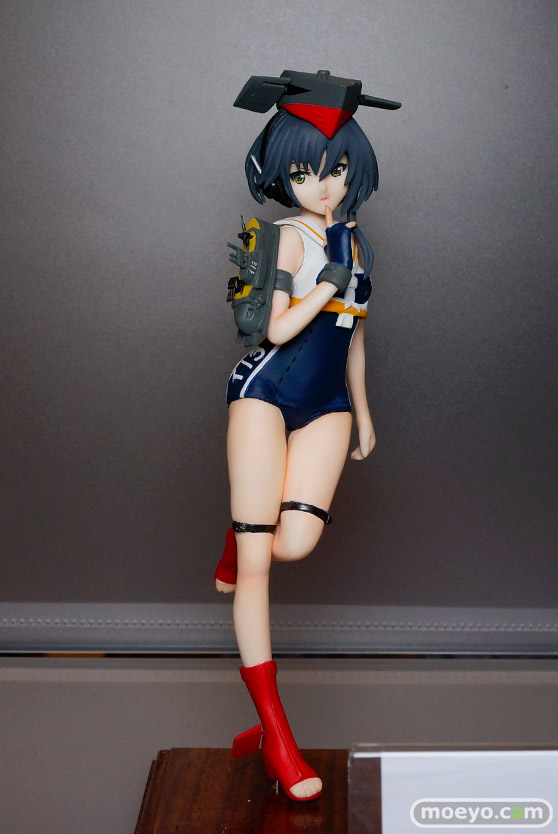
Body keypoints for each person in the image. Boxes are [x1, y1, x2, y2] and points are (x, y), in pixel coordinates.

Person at [215, 70, 399, 801]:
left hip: (326, 404)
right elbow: (277, 329)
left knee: (291, 544)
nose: (323, 186)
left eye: (337, 169)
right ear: (281, 174)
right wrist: (329, 282)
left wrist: (364, 409)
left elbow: (354, 334)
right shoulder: (282, 239)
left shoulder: (359, 244)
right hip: (264, 394)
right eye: (304, 173)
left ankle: (240, 530)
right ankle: (276, 736)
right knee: (259, 567)